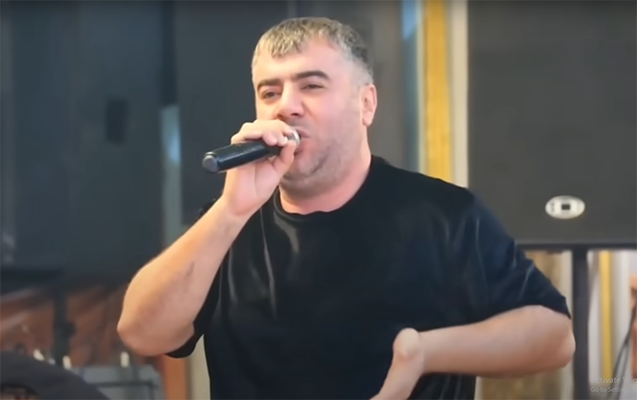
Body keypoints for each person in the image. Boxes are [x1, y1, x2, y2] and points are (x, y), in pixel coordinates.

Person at [117, 17, 574, 400]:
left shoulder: (443, 214)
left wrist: (426, 352)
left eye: (311, 85)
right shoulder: (226, 225)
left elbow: (553, 337)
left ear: (366, 104)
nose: (286, 107)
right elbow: (142, 333)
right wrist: (230, 211)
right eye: (270, 92)